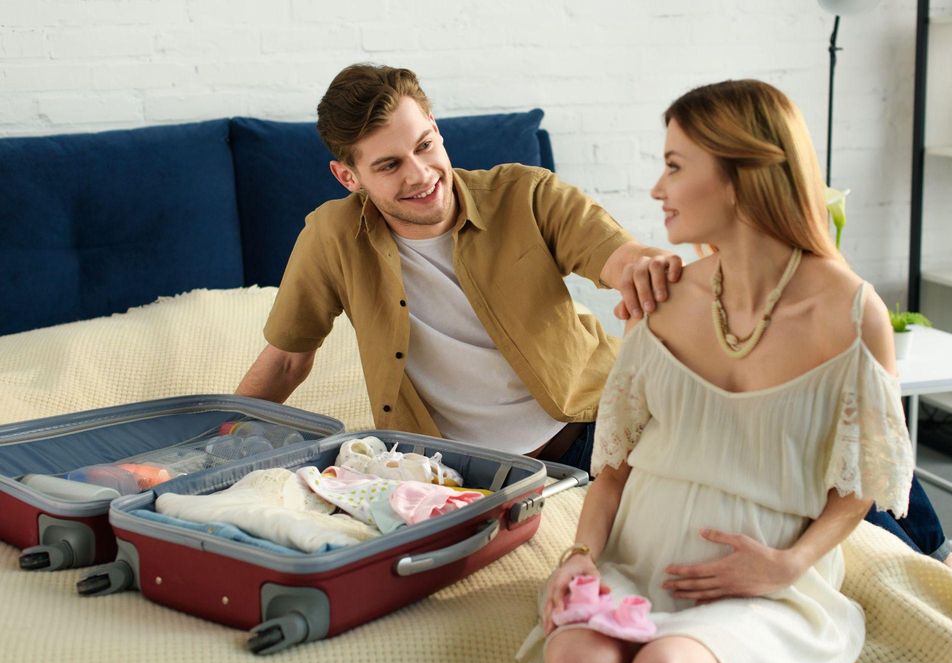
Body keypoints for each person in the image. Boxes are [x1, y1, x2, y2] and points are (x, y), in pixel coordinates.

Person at [513, 79, 952, 663]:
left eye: (673, 166)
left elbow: (860, 487)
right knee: (577, 658)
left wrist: (789, 564)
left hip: (762, 590)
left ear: (741, 176)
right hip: (634, 562)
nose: (657, 189)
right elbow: (611, 469)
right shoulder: (662, 298)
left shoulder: (851, 314)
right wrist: (581, 556)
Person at [235, 63, 681, 471]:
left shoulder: (527, 194)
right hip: (453, 476)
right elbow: (286, 362)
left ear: (435, 128)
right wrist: (211, 444)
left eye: (424, 146)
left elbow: (621, 256)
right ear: (348, 177)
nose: (420, 175)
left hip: (592, 435)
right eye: (389, 165)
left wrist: (649, 270)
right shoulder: (332, 237)